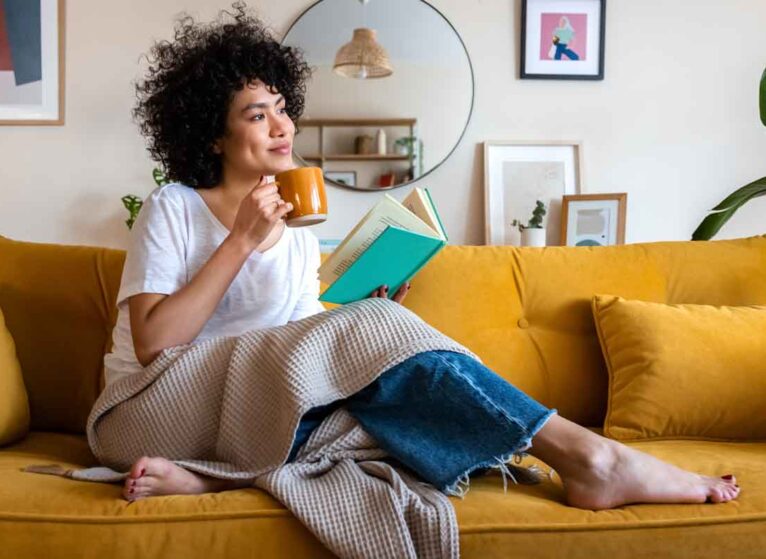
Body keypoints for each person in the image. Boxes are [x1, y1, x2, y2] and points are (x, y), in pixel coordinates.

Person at [104, 3, 740, 510]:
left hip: (247, 414)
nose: (282, 127)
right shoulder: (175, 208)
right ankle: (592, 457)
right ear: (213, 135)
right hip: (148, 410)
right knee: (381, 392)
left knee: (388, 409)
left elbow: (294, 351)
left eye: (283, 108)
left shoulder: (297, 233)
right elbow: (157, 343)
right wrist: (240, 241)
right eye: (256, 114)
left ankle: (217, 478)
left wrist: (363, 313)